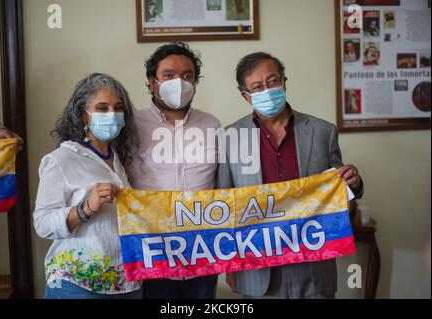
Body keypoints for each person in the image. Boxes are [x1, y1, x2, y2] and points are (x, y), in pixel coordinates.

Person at [216, 52, 364, 299]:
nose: (267, 90)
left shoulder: (322, 131)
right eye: (257, 87)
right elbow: (224, 208)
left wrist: (354, 186)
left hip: (313, 265)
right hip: (259, 270)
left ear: (284, 81)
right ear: (245, 95)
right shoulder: (228, 138)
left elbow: (339, 200)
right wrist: (230, 267)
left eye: (272, 81)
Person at [33, 73, 142, 299]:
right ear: (83, 116)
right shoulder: (61, 159)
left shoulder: (121, 159)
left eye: (118, 108)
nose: (112, 115)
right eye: (102, 108)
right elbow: (42, 224)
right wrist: (86, 207)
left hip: (127, 281)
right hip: (78, 282)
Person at [128, 42, 221, 299]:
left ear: (195, 82)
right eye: (168, 75)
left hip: (203, 251)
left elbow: (224, 184)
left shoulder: (212, 124)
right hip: (151, 249)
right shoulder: (130, 126)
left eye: (187, 76)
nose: (179, 82)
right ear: (151, 82)